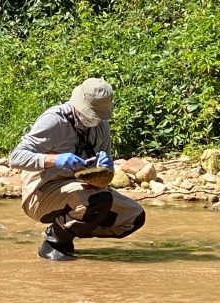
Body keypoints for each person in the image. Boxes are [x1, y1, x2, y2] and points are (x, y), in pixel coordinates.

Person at [9, 78, 146, 261]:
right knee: (96, 200)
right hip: (42, 193)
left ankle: (65, 232)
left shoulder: (101, 125)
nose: (94, 120)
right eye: (91, 114)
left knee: (133, 217)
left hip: (82, 190)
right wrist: (55, 159)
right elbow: (15, 158)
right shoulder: (54, 121)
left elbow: (105, 173)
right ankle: (53, 243)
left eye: (98, 116)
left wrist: (106, 166)